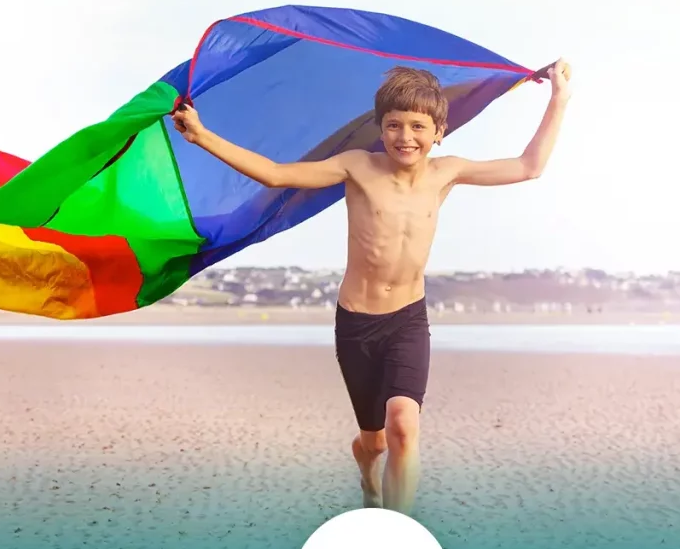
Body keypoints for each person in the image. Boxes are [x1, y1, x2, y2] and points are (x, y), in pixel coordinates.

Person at [172, 59, 571, 515]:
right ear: (380, 130)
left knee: (404, 427)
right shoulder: (356, 167)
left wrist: (559, 97)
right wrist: (201, 136)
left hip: (407, 320)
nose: (406, 136)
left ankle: (397, 529)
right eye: (394, 125)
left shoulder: (447, 172)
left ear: (439, 131)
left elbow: (528, 166)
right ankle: (367, 471)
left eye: (418, 126)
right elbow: (277, 174)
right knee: (374, 442)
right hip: (357, 324)